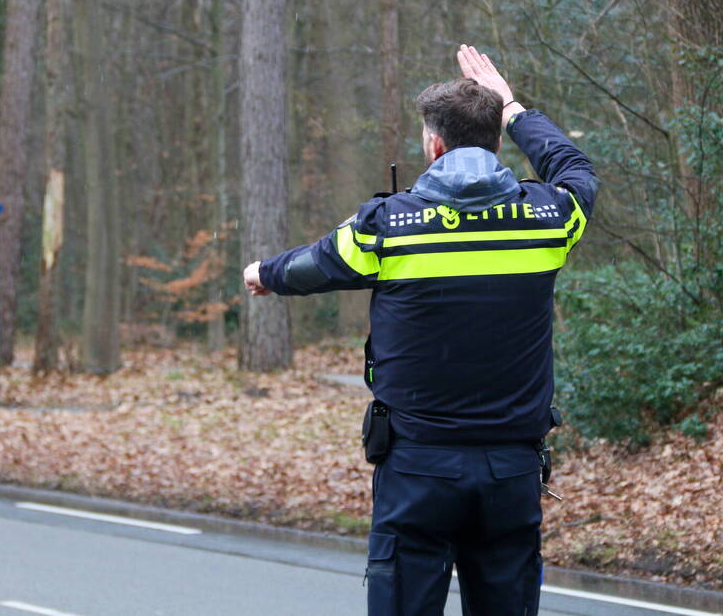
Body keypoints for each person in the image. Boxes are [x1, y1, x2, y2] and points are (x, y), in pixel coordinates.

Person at [243, 45, 598, 615]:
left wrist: (264, 273)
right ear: (498, 144)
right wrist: (513, 108)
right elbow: (575, 168)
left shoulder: (388, 228)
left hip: (417, 469)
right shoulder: (549, 219)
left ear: (433, 145)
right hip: (510, 469)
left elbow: (314, 263)